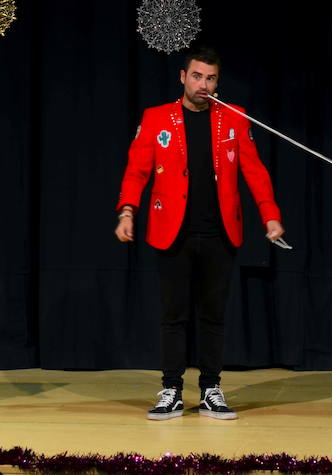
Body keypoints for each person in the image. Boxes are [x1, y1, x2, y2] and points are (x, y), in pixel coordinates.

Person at [115, 46, 284, 421]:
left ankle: (211, 389)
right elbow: (136, 171)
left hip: (219, 232)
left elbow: (255, 172)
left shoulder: (235, 118)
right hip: (171, 230)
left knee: (213, 315)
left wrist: (270, 216)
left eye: (210, 78)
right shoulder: (157, 118)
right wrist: (128, 211)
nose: (203, 84)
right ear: (182, 77)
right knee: (173, 315)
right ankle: (171, 390)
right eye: (197, 76)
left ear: (217, 82)